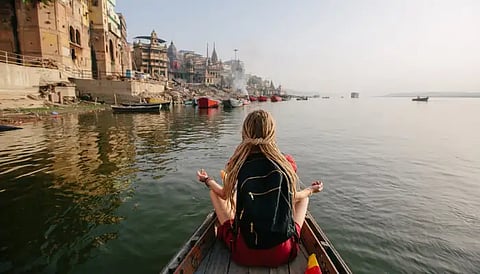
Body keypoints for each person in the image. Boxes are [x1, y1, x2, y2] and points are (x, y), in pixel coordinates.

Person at [196, 109, 323, 267]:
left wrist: (207, 180)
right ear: (271, 132)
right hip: (283, 254)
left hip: (244, 254)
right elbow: (293, 197)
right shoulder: (286, 163)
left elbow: (223, 194)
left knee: (215, 194)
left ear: (245, 132)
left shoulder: (237, 163)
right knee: (304, 199)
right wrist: (311, 189)